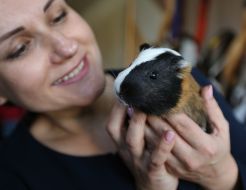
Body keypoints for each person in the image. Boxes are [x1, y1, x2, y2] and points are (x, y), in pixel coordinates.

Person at [0, 0, 245, 190]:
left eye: (58, 15)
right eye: (20, 48)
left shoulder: (185, 81)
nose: (67, 47)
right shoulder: (13, 176)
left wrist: (223, 177)